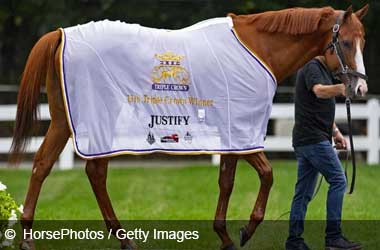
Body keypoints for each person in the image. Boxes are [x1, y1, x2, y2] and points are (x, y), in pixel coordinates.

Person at [285, 56, 362, 250]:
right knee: (338, 180)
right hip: (313, 140)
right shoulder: (312, 65)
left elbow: (318, 107)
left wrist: (335, 132)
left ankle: (294, 242)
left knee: (302, 193)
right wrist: (342, 89)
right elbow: (319, 91)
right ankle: (334, 238)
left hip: (308, 139)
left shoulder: (322, 70)